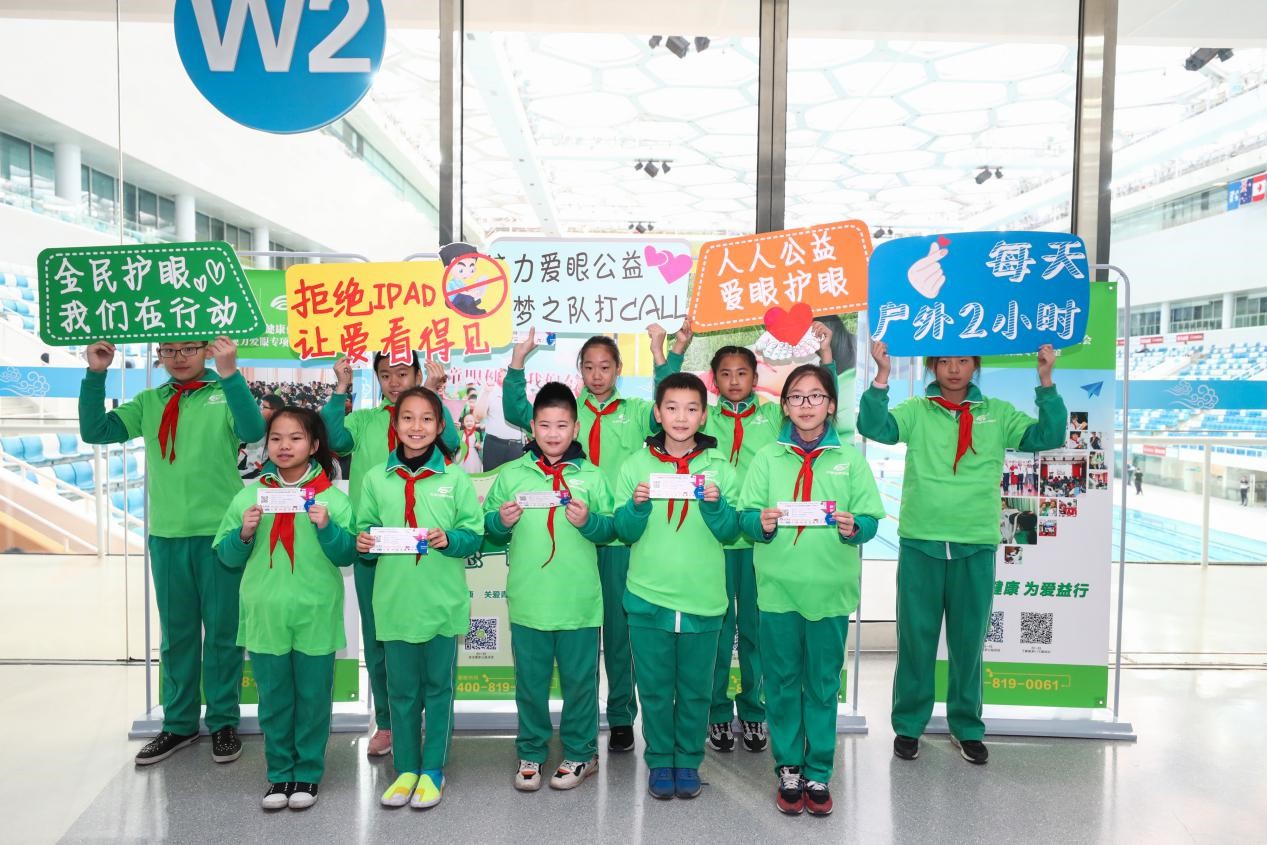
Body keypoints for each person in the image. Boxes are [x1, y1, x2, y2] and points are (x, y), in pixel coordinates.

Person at [858, 342, 1065, 766]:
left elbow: (1049, 436)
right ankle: (909, 725)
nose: (954, 369)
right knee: (916, 642)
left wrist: (1046, 380)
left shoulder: (997, 413)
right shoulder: (917, 410)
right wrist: (882, 376)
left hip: (975, 544)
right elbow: (874, 426)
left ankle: (967, 726)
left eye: (963, 361)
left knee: (968, 645)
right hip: (922, 542)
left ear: (976, 365)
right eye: (945, 361)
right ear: (933, 365)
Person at [656, 321, 845, 755]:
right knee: (719, 632)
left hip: (763, 542)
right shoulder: (701, 419)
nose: (734, 380)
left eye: (742, 373)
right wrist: (673, 352)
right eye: (725, 374)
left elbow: (822, 404)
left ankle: (754, 709)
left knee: (757, 632)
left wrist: (827, 357)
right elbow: (665, 396)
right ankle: (718, 711)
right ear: (714, 381)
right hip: (717, 540)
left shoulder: (774, 416)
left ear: (755, 378)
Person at [503, 325, 689, 753]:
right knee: (577, 634)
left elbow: (670, 402)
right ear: (580, 370)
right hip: (573, 536)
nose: (597, 375)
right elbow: (517, 409)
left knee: (619, 633)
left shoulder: (638, 410)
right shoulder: (568, 414)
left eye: (605, 367)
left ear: (619, 369)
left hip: (618, 537)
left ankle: (621, 714)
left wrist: (664, 354)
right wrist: (518, 359)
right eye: (588, 367)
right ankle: (561, 733)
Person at [79, 337, 265, 766]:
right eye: (168, 350)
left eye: (188, 349)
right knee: (177, 636)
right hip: (167, 535)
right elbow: (96, 431)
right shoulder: (149, 401)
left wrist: (230, 373)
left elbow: (254, 432)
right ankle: (179, 723)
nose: (178, 358)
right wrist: (96, 374)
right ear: (158, 354)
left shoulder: (224, 391)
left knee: (222, 634)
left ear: (206, 350)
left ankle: (223, 722)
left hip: (221, 534)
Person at [738, 364, 882, 816]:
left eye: (815, 396)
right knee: (781, 683)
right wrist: (759, 524)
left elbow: (871, 520)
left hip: (829, 592)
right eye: (796, 397)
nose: (805, 405)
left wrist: (855, 527)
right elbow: (746, 516)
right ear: (784, 405)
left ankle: (818, 769)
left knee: (821, 685)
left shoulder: (850, 460)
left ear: (831, 404)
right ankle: (788, 766)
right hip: (778, 591)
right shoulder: (767, 458)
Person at [214, 407, 357, 810]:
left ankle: (307, 773)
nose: (284, 446)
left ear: (314, 445)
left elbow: (348, 554)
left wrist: (327, 527)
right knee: (274, 699)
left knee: (313, 698)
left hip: (315, 612)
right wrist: (244, 533)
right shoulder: (249, 496)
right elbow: (226, 556)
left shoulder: (332, 498)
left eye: (295, 438)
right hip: (265, 614)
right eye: (276, 438)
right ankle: (279, 773)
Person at [321, 352, 459, 758]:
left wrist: (432, 397)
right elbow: (332, 439)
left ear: (417, 374)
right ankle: (388, 722)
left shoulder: (427, 419)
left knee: (431, 641)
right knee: (380, 639)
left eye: (402, 374)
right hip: (374, 550)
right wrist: (341, 387)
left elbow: (451, 444)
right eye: (385, 375)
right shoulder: (365, 420)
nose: (394, 382)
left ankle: (427, 725)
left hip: (426, 550)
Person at [483, 382, 616, 792]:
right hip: (529, 600)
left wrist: (589, 522)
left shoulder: (593, 476)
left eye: (562, 425)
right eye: (544, 425)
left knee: (580, 684)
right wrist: (500, 522)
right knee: (530, 684)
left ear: (576, 428)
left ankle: (581, 752)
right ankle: (531, 752)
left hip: (578, 602)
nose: (553, 433)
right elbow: (488, 528)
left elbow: (611, 529)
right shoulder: (512, 475)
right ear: (532, 428)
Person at [355, 387, 483, 810]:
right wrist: (365, 541)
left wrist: (451, 539)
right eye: (407, 418)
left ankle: (432, 770)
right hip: (394, 603)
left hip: (441, 603)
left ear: (440, 426)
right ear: (395, 424)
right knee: (401, 692)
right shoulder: (376, 478)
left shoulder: (455, 478)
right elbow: (364, 529)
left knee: (439, 690)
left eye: (426, 419)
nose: (416, 426)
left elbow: (474, 534)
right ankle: (406, 768)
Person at [613, 372, 740, 800]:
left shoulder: (720, 468)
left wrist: (717, 507)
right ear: (657, 413)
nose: (681, 417)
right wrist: (636, 507)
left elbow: (731, 531)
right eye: (671, 408)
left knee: (696, 691)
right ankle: (659, 760)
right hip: (647, 597)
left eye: (691, 409)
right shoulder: (635, 465)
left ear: (704, 415)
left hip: (703, 599)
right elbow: (624, 530)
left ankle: (688, 760)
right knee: (653, 689)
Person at [240, 394, 284, 479]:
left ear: (275, 411)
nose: (259, 410)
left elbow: (259, 469)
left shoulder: (278, 435)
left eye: (263, 407)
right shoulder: (258, 429)